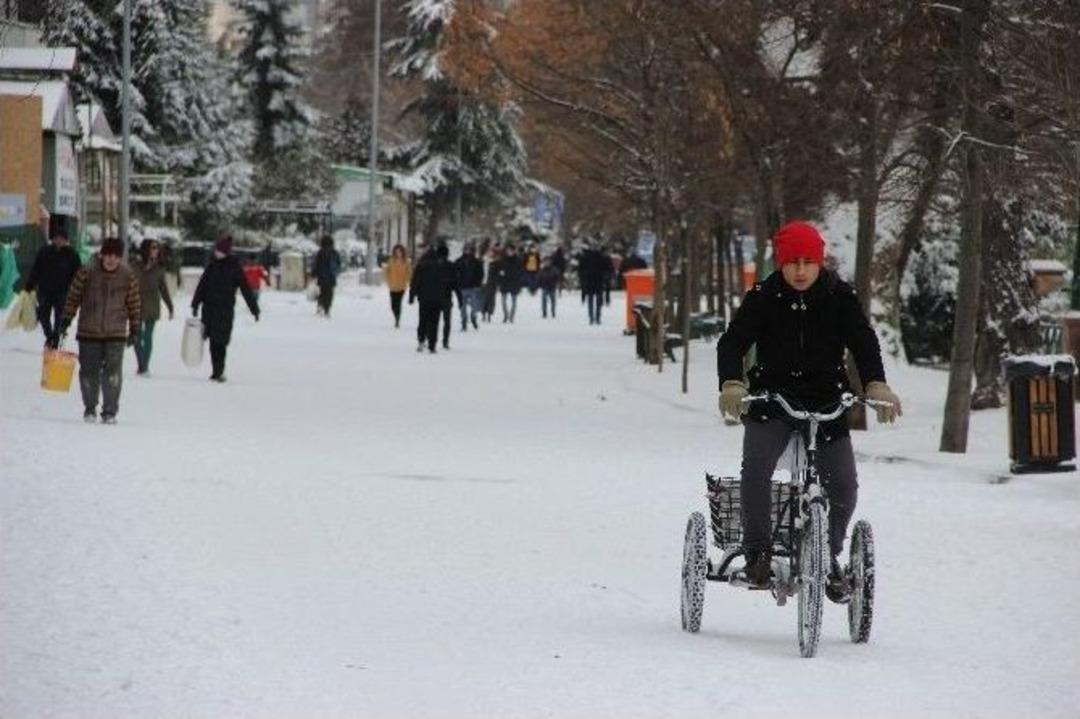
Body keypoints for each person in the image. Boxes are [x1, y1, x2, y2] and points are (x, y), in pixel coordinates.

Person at [715, 221, 902, 603]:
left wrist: (875, 383)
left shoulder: (839, 297)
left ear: (820, 263)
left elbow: (863, 342)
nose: (800, 271)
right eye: (792, 262)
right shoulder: (764, 296)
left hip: (827, 400)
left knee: (845, 484)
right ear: (780, 264)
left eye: (808, 262)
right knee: (756, 469)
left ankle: (826, 553)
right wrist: (733, 383)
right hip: (773, 399)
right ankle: (757, 552)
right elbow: (732, 342)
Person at [54, 238, 140, 424]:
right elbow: (73, 296)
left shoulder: (127, 275)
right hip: (89, 331)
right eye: (108, 255)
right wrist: (66, 319)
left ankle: (110, 411)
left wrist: (134, 327)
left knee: (112, 373)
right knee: (89, 372)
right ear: (102, 255)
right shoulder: (87, 271)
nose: (111, 260)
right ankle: (90, 407)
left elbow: (133, 302)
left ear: (120, 257)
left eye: (115, 256)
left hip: (115, 332)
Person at [191, 236, 260, 382]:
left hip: (225, 310)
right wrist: (195, 304)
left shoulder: (234, 268)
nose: (216, 253)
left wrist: (254, 308)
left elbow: (246, 289)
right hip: (209, 309)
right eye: (216, 250)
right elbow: (202, 286)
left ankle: (219, 370)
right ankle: (216, 370)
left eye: (219, 250)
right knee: (212, 342)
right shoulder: (212, 266)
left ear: (225, 252)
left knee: (220, 341)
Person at [25, 230, 82, 346]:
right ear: (53, 239)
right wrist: (30, 283)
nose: (59, 241)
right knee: (42, 314)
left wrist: (76, 288)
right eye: (57, 238)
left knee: (60, 316)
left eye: (62, 238)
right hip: (45, 289)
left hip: (63, 291)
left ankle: (56, 337)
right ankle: (49, 335)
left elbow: (78, 273)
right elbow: (36, 268)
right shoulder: (44, 252)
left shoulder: (72, 254)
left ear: (66, 240)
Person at [133, 239, 175, 376]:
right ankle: (141, 364)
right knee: (137, 336)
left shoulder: (159, 269)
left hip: (152, 304)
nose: (155, 251)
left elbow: (163, 289)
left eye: (157, 248)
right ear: (146, 250)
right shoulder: (135, 266)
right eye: (153, 248)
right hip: (136, 303)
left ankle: (144, 367)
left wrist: (170, 307)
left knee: (148, 336)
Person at [408, 246, 450, 353]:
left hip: (424, 298)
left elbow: (415, 282)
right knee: (434, 322)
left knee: (423, 319)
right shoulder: (441, 266)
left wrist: (412, 296)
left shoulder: (421, 265)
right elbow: (444, 283)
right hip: (437, 299)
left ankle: (421, 340)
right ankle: (432, 344)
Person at [454, 242, 484, 331]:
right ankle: (464, 322)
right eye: (465, 249)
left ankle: (473, 317)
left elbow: (480, 274)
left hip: (473, 287)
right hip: (462, 287)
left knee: (474, 306)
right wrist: (456, 283)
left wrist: (478, 284)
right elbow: (454, 273)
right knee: (462, 307)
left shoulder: (476, 262)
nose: (466, 251)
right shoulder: (458, 261)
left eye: (468, 249)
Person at [435, 244, 459, 350]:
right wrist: (460, 297)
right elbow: (456, 283)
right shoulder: (451, 266)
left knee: (433, 320)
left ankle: (433, 338)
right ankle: (445, 341)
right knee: (447, 321)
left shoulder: (433, 265)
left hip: (434, 297)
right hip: (446, 297)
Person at [578, 242, 608, 325]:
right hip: (599, 281)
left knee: (590, 301)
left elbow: (580, 269)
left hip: (589, 281)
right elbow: (606, 269)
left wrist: (583, 278)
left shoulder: (585, 257)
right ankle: (598, 318)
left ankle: (591, 318)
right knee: (598, 301)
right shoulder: (601, 257)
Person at [313, 235, 342, 317]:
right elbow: (338, 264)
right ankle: (327, 308)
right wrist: (337, 272)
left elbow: (316, 264)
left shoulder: (320, 252)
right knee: (329, 293)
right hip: (331, 276)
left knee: (322, 292)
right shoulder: (334, 253)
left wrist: (314, 274)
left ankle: (320, 305)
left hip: (321, 276)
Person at [495, 243, 524, 323]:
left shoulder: (518, 260)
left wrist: (520, 282)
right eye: (508, 250)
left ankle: (511, 316)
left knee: (514, 301)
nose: (509, 252)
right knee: (503, 301)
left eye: (511, 250)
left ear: (514, 251)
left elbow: (522, 272)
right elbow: (499, 271)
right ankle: (505, 315)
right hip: (504, 282)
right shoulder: (503, 259)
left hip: (514, 283)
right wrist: (499, 281)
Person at [384, 244, 411, 328]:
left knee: (398, 303)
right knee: (393, 305)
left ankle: (397, 320)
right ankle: (396, 316)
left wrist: (408, 281)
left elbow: (409, 273)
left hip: (401, 286)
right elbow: (386, 271)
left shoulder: (406, 261)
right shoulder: (391, 261)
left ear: (402, 252)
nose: (398, 253)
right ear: (394, 252)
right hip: (392, 286)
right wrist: (388, 280)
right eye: (397, 252)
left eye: (400, 252)